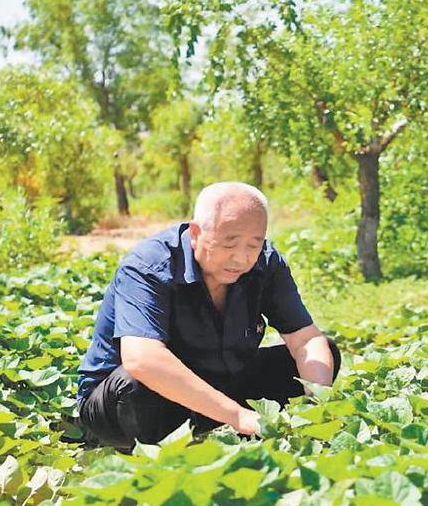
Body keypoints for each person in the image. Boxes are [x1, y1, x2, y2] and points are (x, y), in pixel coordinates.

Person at [76, 182, 339, 448]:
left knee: (321, 353)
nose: (241, 258)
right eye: (229, 244)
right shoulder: (149, 266)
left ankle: (228, 428)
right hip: (121, 401)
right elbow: (142, 359)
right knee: (136, 385)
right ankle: (163, 450)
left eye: (253, 244)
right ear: (195, 233)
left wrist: (316, 405)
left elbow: (305, 338)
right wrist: (236, 415)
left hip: (217, 382)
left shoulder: (266, 263)